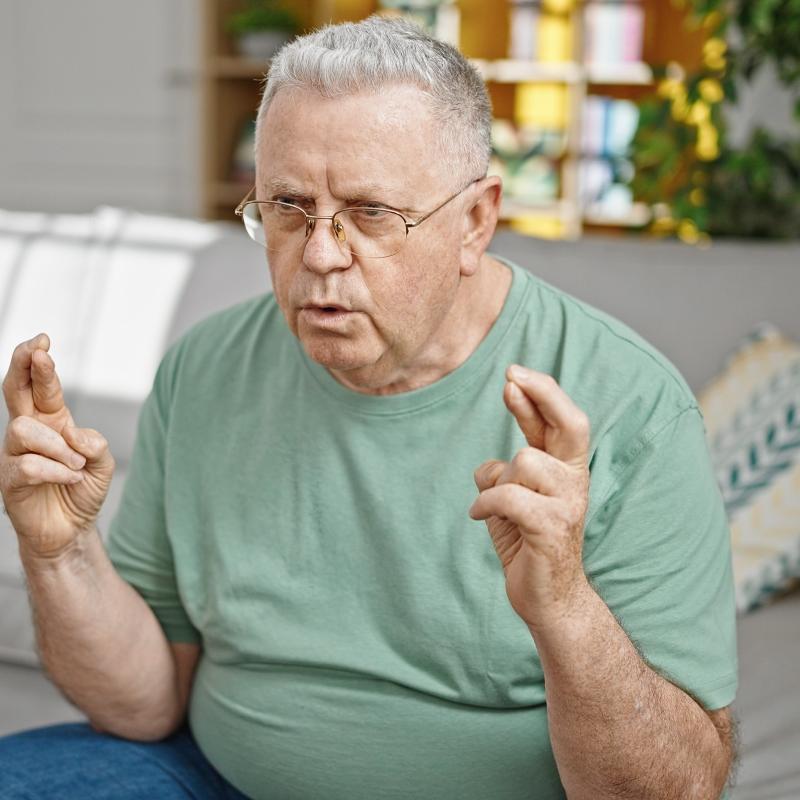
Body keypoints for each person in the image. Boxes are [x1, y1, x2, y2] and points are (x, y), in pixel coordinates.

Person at [0, 15, 737, 800]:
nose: (319, 253)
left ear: (476, 221)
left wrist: (564, 606)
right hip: (215, 778)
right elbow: (145, 706)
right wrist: (59, 554)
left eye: (371, 213)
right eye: (287, 206)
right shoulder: (204, 367)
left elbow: (676, 790)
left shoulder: (631, 404)